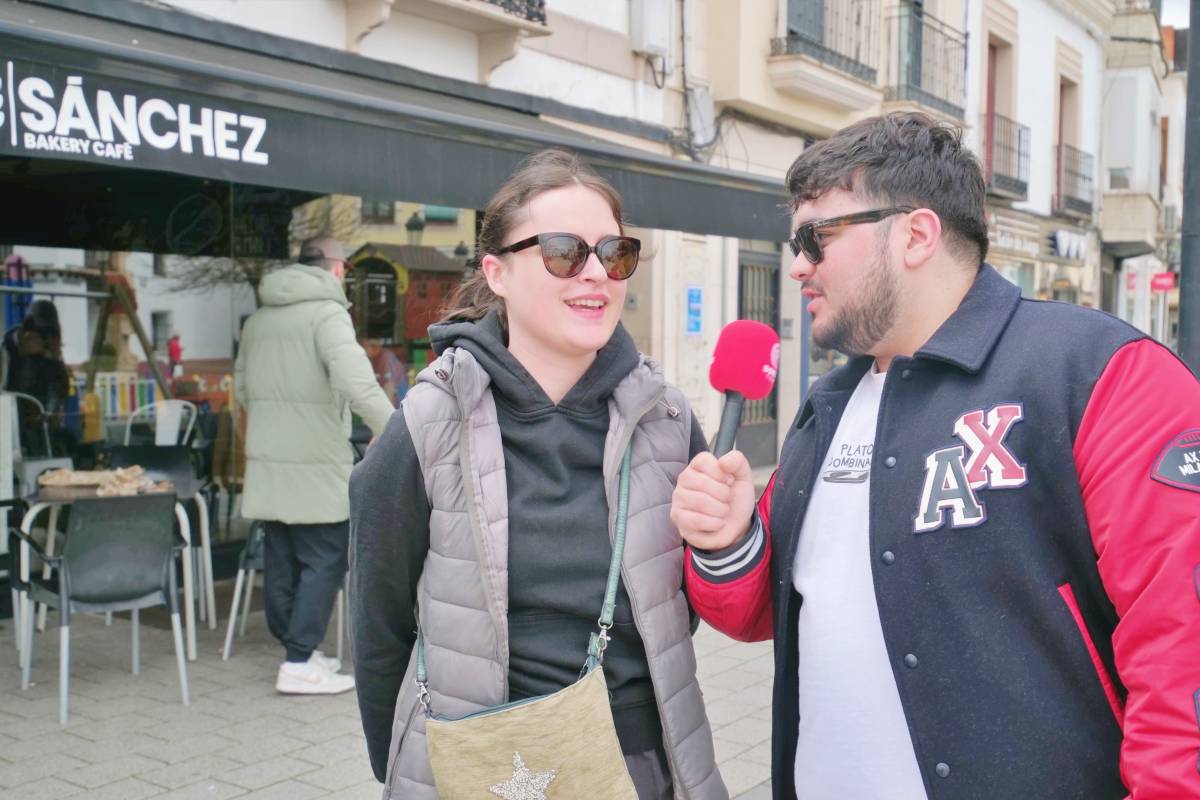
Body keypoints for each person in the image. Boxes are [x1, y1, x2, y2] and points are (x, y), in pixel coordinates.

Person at [670, 112, 1200, 799]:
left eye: (817, 237)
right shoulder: (828, 405)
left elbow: (1180, 645)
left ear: (916, 235)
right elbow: (763, 613)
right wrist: (728, 541)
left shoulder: (1101, 373)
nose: (797, 262)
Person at [350, 150, 728, 800]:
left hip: (639, 764)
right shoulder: (429, 422)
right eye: (563, 252)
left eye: (614, 254)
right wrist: (407, 763)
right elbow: (379, 620)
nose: (595, 275)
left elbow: (679, 608)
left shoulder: (666, 419)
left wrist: (730, 538)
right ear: (496, 272)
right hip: (480, 766)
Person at [234, 235, 393, 695]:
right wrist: (399, 429)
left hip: (268, 461)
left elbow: (242, 389)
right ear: (335, 268)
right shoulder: (328, 315)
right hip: (317, 464)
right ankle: (299, 662)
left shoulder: (259, 319)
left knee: (281, 560)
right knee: (325, 560)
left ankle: (296, 649)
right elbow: (357, 382)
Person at [3, 299, 73, 456]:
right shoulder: (8, 349)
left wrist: (50, 413)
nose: (46, 341)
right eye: (42, 335)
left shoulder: (51, 362)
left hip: (41, 428)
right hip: (10, 425)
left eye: (51, 335)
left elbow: (59, 390)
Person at [361, 338, 407, 407]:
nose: (361, 351)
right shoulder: (377, 358)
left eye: (364, 348)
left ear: (374, 348)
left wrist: (387, 414)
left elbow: (389, 388)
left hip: (395, 405)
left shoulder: (385, 359)